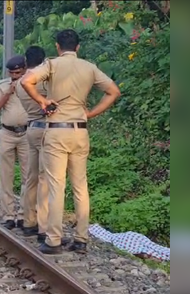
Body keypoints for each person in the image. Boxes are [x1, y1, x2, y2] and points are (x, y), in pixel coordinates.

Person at [21, 29, 121, 255]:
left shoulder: (52, 64)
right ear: (78, 47)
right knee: (80, 186)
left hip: (57, 131)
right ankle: (81, 238)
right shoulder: (89, 67)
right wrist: (90, 114)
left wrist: (42, 100)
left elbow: (28, 80)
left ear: (57, 46)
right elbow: (114, 91)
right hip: (80, 132)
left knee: (57, 186)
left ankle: (54, 239)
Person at [0, 55, 29, 230]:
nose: (15, 76)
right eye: (12, 73)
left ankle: (24, 215)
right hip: (7, 132)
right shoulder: (3, 85)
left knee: (29, 176)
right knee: (6, 175)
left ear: (25, 70)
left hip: (27, 133)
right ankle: (8, 214)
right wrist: (8, 93)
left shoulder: (32, 83)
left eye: (18, 73)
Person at [15, 46, 49, 243]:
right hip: (45, 129)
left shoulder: (20, 83)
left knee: (31, 177)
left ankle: (28, 221)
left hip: (30, 128)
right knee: (45, 178)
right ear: (43, 62)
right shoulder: (42, 82)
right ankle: (44, 227)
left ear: (26, 62)